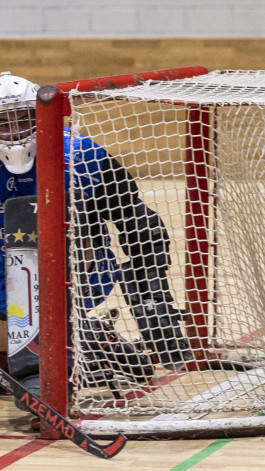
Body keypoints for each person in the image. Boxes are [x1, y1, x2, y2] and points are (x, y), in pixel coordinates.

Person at [0, 71, 191, 403]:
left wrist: (152, 299)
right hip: (4, 276)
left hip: (77, 272)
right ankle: (95, 340)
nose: (16, 132)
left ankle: (67, 345)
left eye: (24, 118)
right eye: (5, 122)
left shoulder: (82, 154)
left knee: (26, 350)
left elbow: (141, 227)